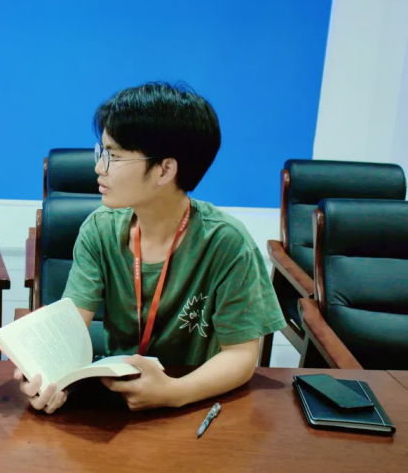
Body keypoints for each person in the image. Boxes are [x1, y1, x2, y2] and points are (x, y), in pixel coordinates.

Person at [16, 82, 285, 413]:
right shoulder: (99, 230)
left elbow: (242, 355)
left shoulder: (227, 243)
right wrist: (46, 375)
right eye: (102, 152)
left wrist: (175, 392)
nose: (99, 167)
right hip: (118, 396)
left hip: (195, 402)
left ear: (165, 170)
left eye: (114, 156)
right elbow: (70, 326)